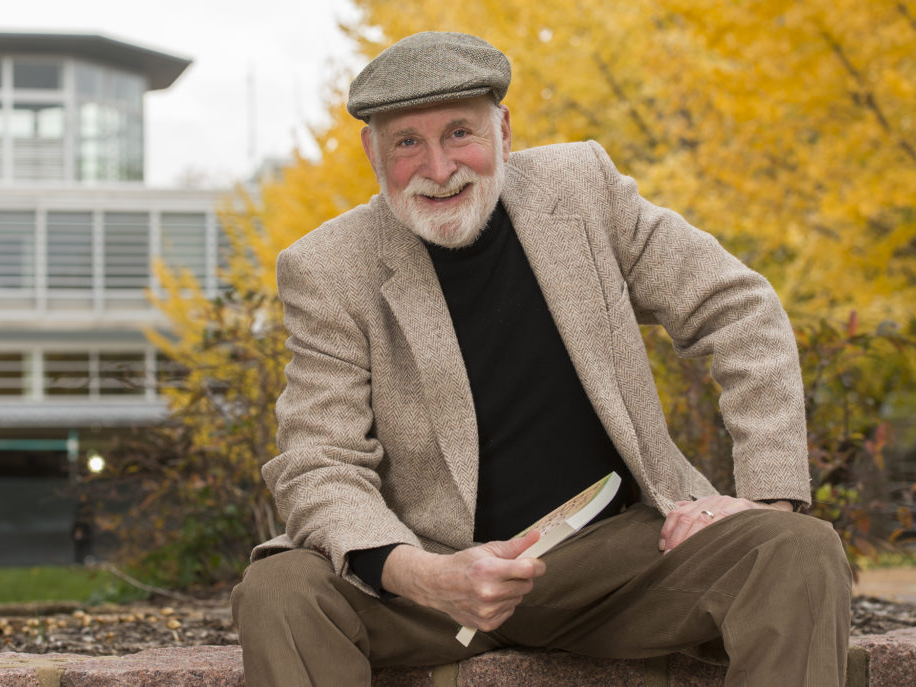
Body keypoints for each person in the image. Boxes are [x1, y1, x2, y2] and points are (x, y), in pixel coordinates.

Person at [230, 31, 851, 686]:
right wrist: (423, 573)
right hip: (427, 572)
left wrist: (767, 497)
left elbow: (740, 308)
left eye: (459, 133)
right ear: (373, 151)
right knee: (280, 590)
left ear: (503, 130)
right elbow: (318, 459)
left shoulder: (583, 187)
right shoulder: (327, 268)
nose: (438, 168)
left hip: (617, 563)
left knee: (796, 550)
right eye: (407, 141)